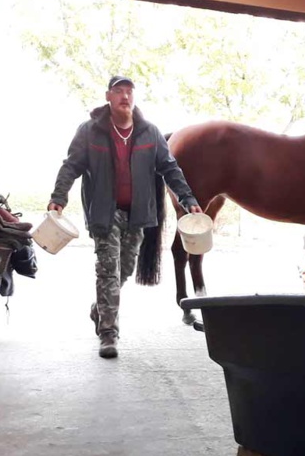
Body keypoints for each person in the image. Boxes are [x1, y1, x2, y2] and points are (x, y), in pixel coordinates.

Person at [49, 76, 202, 359]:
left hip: (138, 214)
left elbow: (170, 169)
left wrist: (188, 199)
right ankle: (109, 334)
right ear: (108, 96)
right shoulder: (90, 132)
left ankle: (100, 308)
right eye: (118, 91)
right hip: (104, 213)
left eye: (129, 91)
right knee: (107, 270)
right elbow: (71, 166)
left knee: (125, 269)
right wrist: (59, 197)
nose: (124, 96)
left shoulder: (149, 133)